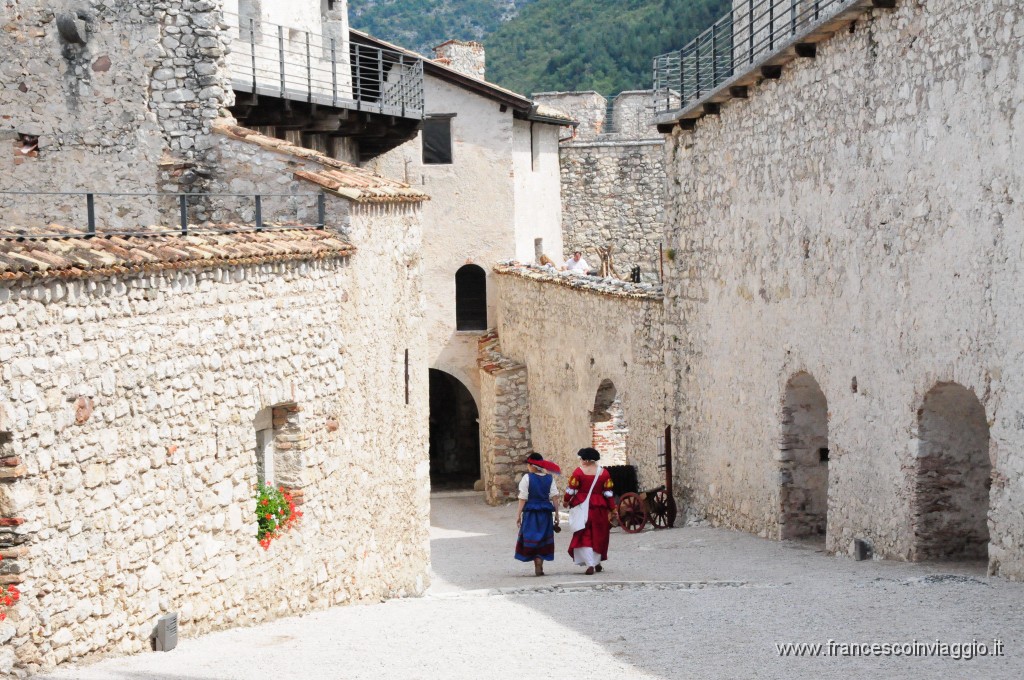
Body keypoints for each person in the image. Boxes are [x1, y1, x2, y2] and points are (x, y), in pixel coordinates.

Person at [563, 447, 614, 575]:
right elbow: (608, 493)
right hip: (599, 507)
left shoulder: (578, 473)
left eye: (581, 458)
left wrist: (566, 500)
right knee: (598, 534)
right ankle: (596, 562)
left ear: (585, 460)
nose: (580, 461)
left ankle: (590, 564)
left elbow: (572, 489)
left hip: (582, 506)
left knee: (584, 534)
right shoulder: (604, 473)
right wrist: (613, 508)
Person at [515, 452, 562, 576]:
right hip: (545, 514)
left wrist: (518, 514)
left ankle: (536, 561)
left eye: (528, 465)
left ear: (532, 466)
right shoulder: (549, 478)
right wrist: (557, 514)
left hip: (531, 513)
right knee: (543, 538)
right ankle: (539, 561)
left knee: (531, 537)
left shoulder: (527, 478)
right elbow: (555, 497)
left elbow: (522, 498)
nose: (528, 468)